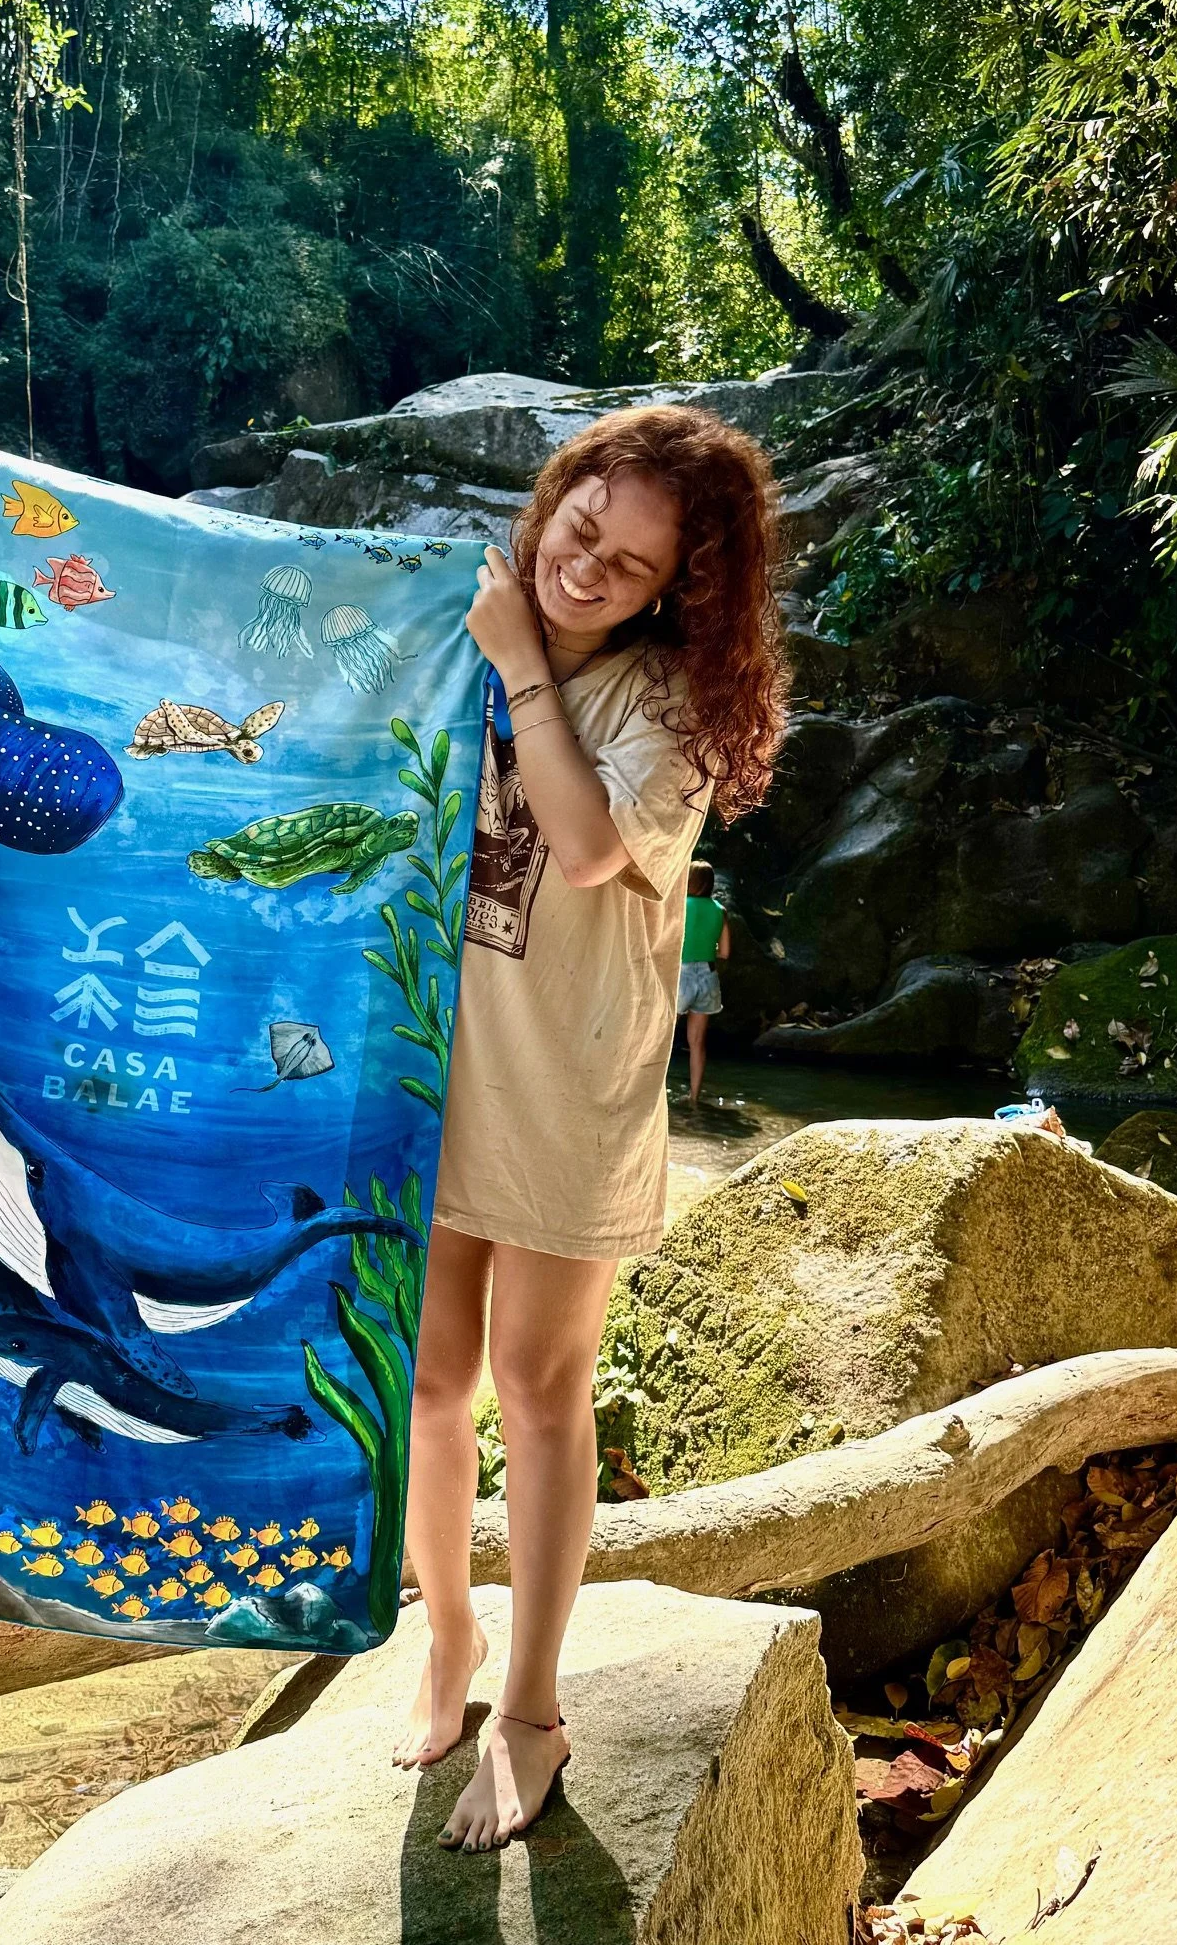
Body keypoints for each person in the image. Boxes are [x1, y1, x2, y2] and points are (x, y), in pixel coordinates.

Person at [395, 404, 787, 1852]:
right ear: (552, 493)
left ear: (675, 587)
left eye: (627, 565)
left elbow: (582, 841)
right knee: (432, 1384)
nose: (586, 567)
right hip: (427, 1073)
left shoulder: (673, 705)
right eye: (579, 526)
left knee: (540, 1393)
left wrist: (517, 664)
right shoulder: (442, 617)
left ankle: (534, 1708)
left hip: (568, 1085)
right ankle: (447, 1635)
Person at [676, 858, 733, 1104]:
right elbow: (725, 952)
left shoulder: (680, 905)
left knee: (660, 1038)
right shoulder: (720, 910)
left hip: (681, 975)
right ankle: (694, 1097)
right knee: (697, 1043)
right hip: (708, 977)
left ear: (690, 881)